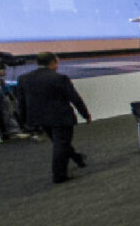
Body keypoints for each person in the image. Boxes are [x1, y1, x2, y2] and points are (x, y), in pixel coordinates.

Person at [15, 52, 89, 183]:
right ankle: (59, 175)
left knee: (59, 141)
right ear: (53, 62)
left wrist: (24, 120)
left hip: (39, 118)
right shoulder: (59, 78)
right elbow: (75, 98)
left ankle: (78, 159)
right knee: (61, 143)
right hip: (60, 116)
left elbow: (21, 102)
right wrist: (85, 114)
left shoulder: (24, 79)